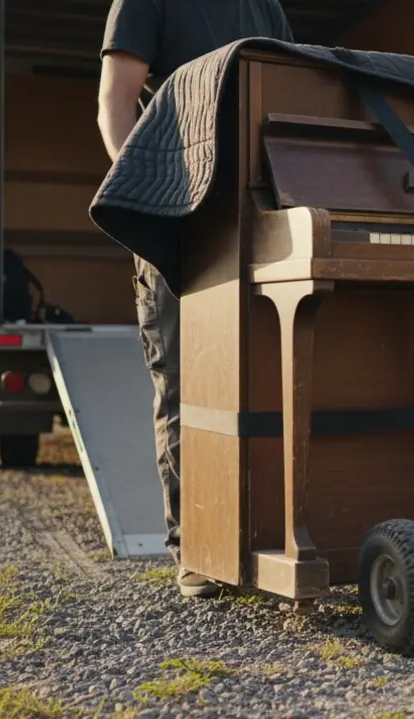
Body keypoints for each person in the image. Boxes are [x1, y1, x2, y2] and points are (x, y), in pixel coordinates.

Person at [98, 0, 296, 598]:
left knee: (264, 381)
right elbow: (115, 101)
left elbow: (289, 94)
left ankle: (262, 538)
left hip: (255, 220)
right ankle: (197, 550)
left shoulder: (267, 6)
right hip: (179, 221)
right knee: (185, 383)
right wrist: (152, 193)